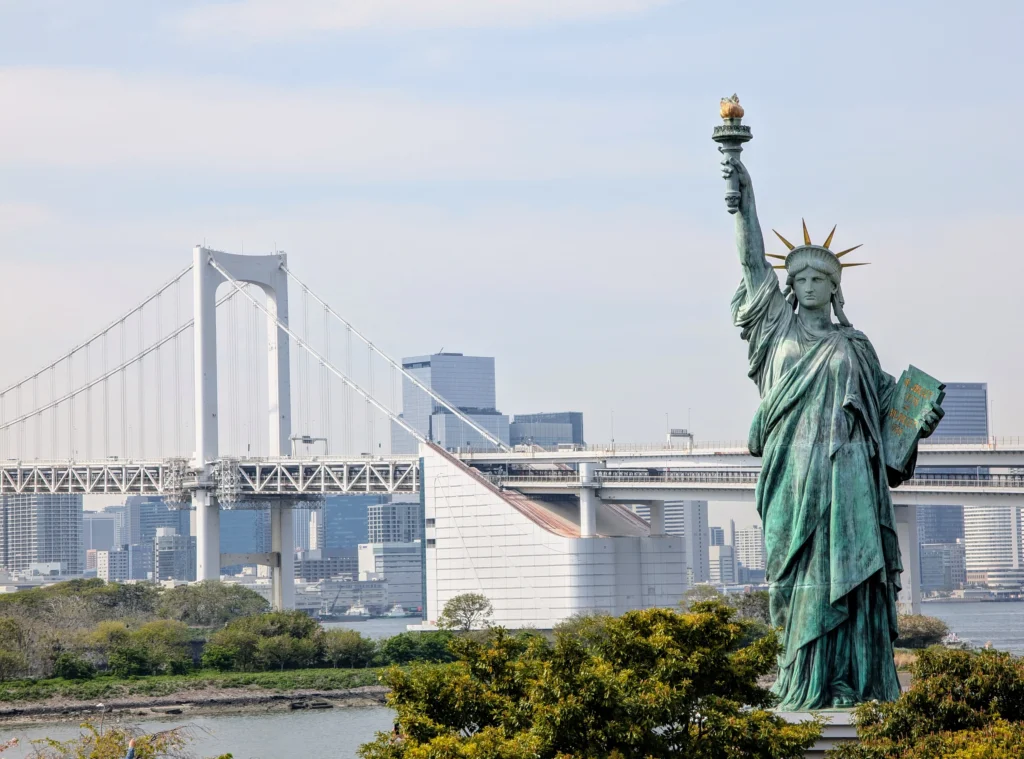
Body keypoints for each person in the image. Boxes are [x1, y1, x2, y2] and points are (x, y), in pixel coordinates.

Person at [720, 154, 942, 710]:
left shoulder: (856, 347)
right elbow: (751, 265)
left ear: (836, 287)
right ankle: (804, 682)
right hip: (793, 477)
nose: (811, 284)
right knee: (798, 581)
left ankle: (856, 683)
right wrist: (742, 196)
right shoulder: (774, 331)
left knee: (855, 579)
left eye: (822, 277)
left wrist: (922, 419)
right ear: (789, 287)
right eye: (801, 278)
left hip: (851, 480)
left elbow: (894, 411)